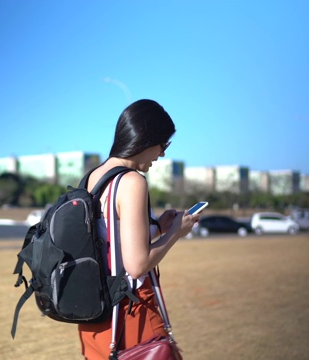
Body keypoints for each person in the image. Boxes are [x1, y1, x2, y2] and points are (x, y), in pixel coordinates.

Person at [78, 99, 198, 359]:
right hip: (131, 313)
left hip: (94, 315)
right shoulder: (132, 181)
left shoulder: (92, 177)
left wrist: (157, 229)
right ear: (147, 139)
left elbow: (108, 241)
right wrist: (176, 231)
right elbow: (136, 265)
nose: (163, 154)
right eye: (163, 144)